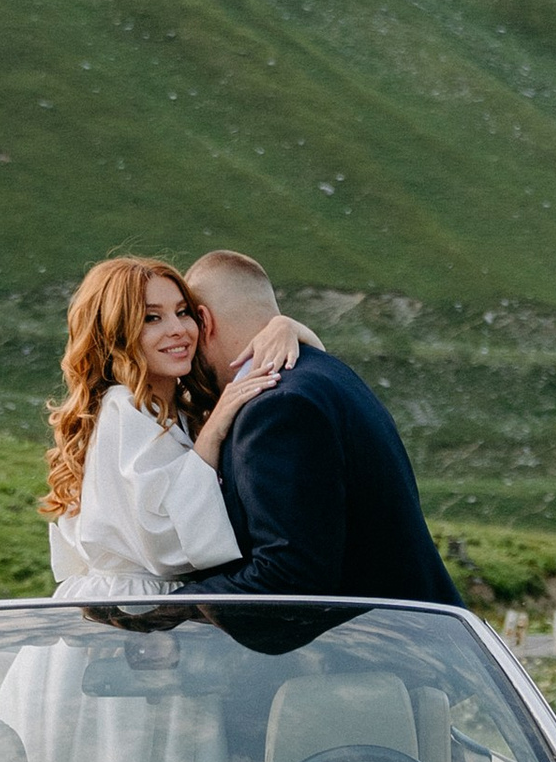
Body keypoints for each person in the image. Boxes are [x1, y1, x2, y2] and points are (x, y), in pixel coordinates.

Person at [184, 248, 459, 603]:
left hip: (379, 648)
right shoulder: (326, 374)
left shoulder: (277, 408)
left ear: (205, 322)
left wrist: (172, 607)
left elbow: (288, 578)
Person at [40, 255, 315, 599]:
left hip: (171, 606)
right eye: (152, 318)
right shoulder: (122, 408)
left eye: (183, 312)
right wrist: (213, 432)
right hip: (131, 606)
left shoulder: (179, 406)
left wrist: (283, 326)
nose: (178, 329)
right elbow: (162, 541)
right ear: (116, 333)